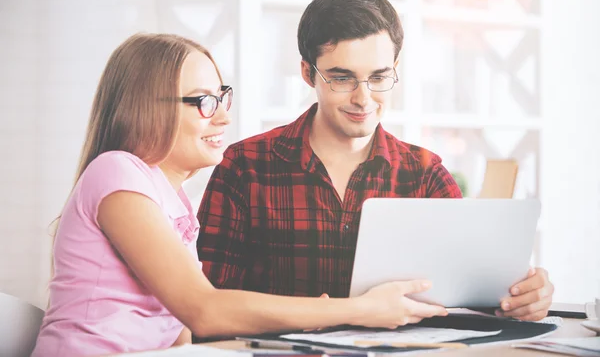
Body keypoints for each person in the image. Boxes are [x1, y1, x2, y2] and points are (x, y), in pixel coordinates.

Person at [32, 33, 449, 357]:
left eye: (222, 97)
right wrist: (357, 310)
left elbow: (182, 334)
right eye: (204, 101)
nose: (224, 116)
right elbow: (205, 311)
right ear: (144, 107)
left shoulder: (173, 204)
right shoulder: (116, 172)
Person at [197, 0, 554, 322]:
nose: (363, 98)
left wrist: (521, 298)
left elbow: (470, 300)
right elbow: (208, 303)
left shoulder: (425, 175)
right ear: (308, 73)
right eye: (342, 78)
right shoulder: (245, 167)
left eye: (380, 77)